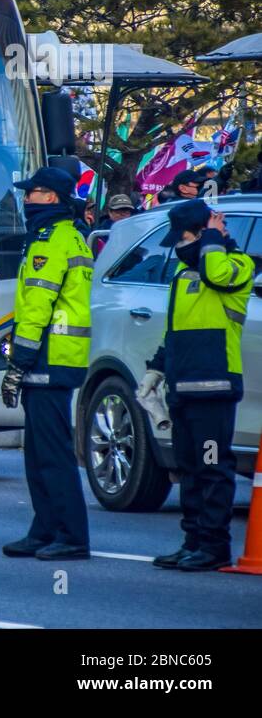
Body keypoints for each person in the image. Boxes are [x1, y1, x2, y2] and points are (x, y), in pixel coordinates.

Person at [139, 200, 254, 572]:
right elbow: (175, 331)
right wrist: (156, 370)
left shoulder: (237, 265)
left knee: (210, 465)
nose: (180, 245)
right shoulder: (184, 277)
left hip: (214, 389)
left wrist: (211, 237)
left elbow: (217, 275)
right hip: (183, 389)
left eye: (187, 237)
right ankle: (192, 541)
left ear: (205, 235)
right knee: (188, 468)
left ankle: (214, 545)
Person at [0, 167, 92, 561]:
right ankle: (44, 529)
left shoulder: (50, 241)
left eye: (32, 193)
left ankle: (71, 535)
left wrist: (18, 362)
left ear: (51, 197)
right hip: (56, 357)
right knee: (38, 452)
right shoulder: (66, 235)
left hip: (48, 357)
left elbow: (36, 307)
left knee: (51, 453)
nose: (25, 200)